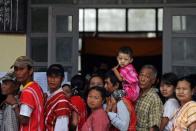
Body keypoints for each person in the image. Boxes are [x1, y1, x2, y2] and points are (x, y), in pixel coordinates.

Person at [6, 56, 45, 131]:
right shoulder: (36, 86)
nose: (18, 73)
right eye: (16, 69)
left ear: (30, 71)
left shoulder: (27, 92)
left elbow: (24, 120)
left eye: (21, 69)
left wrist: (14, 104)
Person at [45, 64, 77, 131]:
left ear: (62, 79)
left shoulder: (62, 101)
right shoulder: (48, 95)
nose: (52, 80)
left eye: (56, 77)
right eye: (50, 76)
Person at [135, 65, 163, 131]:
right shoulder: (135, 94)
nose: (142, 79)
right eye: (141, 75)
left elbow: (154, 127)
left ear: (153, 81)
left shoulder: (154, 99)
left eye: (147, 77)